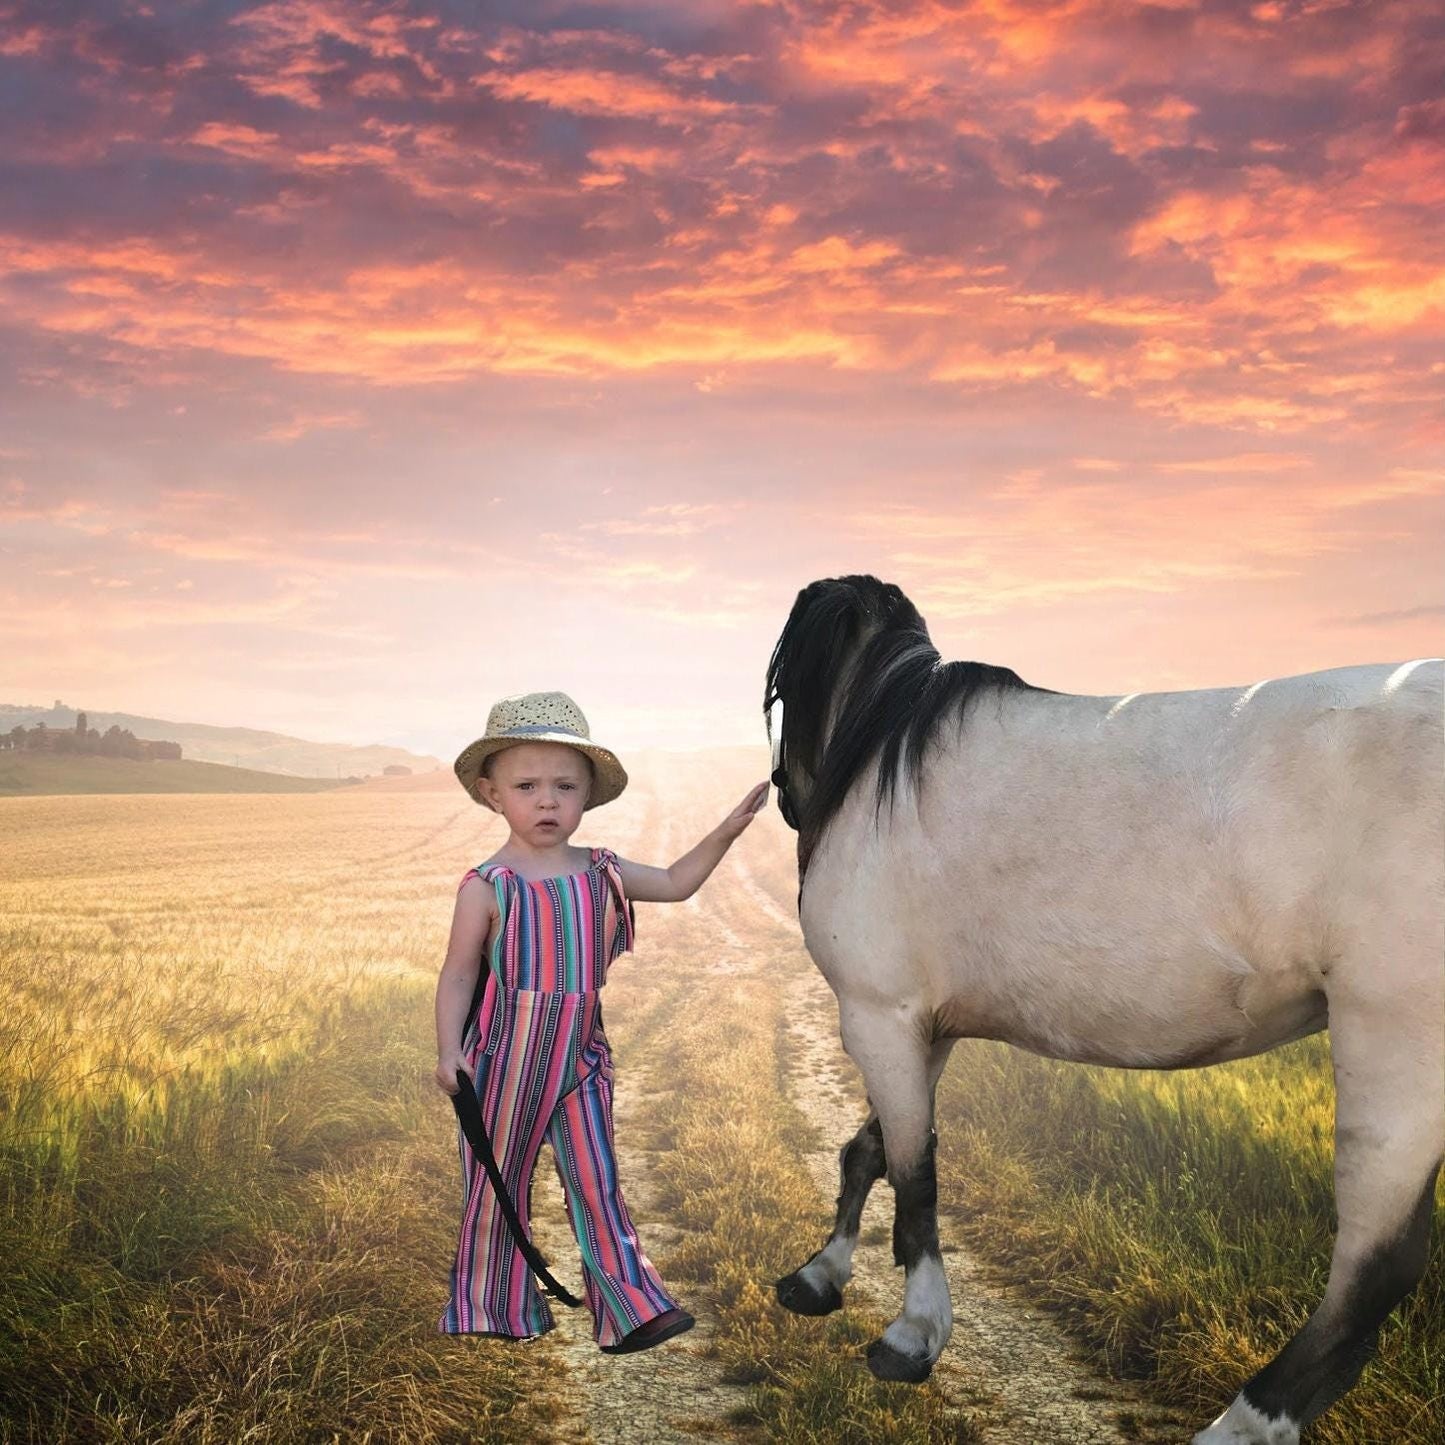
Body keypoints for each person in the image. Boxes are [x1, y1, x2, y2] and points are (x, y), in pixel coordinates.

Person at [435, 690, 768, 1351]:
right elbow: (459, 973)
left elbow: (674, 882)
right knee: (497, 1184)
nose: (548, 801)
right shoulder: (488, 885)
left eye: (565, 786)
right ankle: (494, 1307)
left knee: (598, 1182)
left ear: (588, 794)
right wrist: (449, 1051)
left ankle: (631, 1309)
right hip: (505, 1059)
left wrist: (726, 831)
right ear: (492, 794)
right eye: (527, 786)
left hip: (583, 1056)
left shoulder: (602, 871)